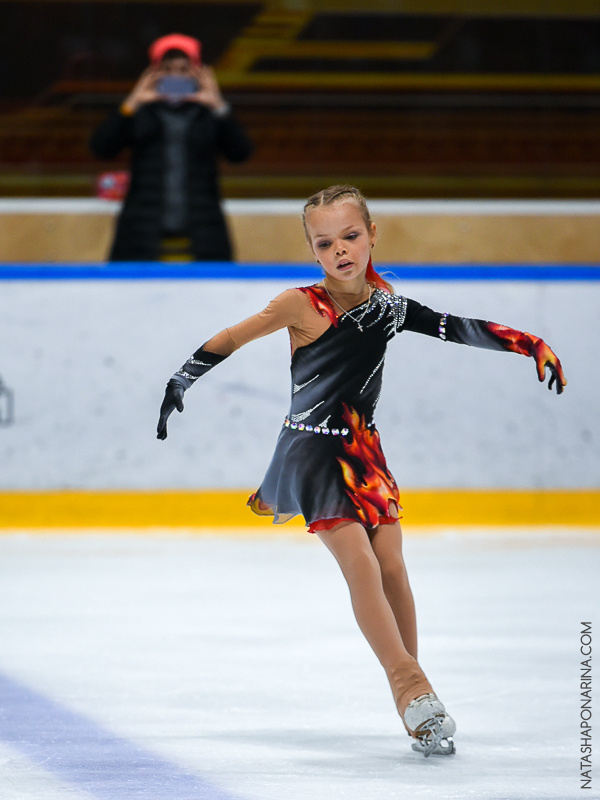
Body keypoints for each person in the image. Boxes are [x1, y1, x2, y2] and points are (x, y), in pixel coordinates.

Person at [156, 185, 566, 757]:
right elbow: (233, 336)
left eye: (351, 236)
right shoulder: (299, 304)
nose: (341, 250)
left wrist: (531, 342)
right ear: (313, 252)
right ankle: (409, 685)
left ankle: (418, 709)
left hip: (363, 454)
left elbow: (454, 327)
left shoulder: (390, 307)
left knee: (393, 567)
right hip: (310, 453)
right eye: (325, 243)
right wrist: (182, 378)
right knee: (360, 564)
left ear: (373, 235)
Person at [90, 33, 253, 262]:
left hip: (204, 233)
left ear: (198, 73)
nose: (175, 75)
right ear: (154, 73)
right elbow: (102, 148)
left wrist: (218, 106)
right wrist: (132, 103)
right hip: (140, 233)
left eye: (184, 69)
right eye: (167, 69)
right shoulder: (140, 112)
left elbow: (241, 153)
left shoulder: (209, 114)